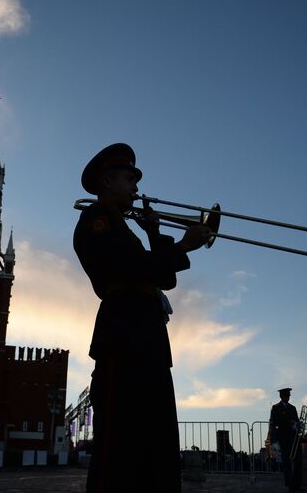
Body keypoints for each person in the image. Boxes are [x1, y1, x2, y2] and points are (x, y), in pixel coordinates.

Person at [73, 143, 211, 492]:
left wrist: (154, 233)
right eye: (128, 178)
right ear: (107, 180)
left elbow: (165, 278)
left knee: (156, 441)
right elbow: (132, 268)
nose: (136, 187)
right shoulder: (96, 220)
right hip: (123, 339)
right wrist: (180, 247)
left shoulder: (128, 231)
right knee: (119, 448)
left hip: (147, 342)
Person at [269, 387, 304, 492]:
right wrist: (273, 441)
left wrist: (297, 425)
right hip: (283, 437)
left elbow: (297, 421)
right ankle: (290, 486)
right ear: (281, 396)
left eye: (288, 395)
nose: (287, 397)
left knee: (298, 461)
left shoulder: (293, 408)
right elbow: (273, 423)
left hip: (294, 438)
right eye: (285, 395)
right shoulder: (276, 408)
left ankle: (297, 485)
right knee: (287, 463)